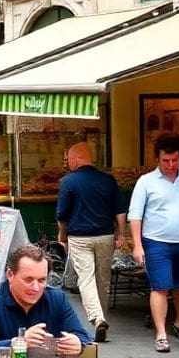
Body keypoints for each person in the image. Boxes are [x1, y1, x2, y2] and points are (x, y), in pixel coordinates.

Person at [56, 142, 127, 344]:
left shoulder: (68, 182)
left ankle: (97, 319)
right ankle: (101, 319)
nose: (67, 163)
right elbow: (120, 211)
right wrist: (121, 234)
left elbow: (62, 215)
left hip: (79, 238)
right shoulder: (108, 180)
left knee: (85, 279)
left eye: (68, 159)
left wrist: (62, 236)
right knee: (103, 281)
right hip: (105, 237)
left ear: (78, 158)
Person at [128, 135, 179, 353]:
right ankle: (161, 334)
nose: (170, 165)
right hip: (156, 242)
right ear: (157, 159)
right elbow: (135, 215)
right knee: (160, 287)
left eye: (175, 160)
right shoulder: (146, 182)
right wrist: (137, 245)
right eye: (165, 161)